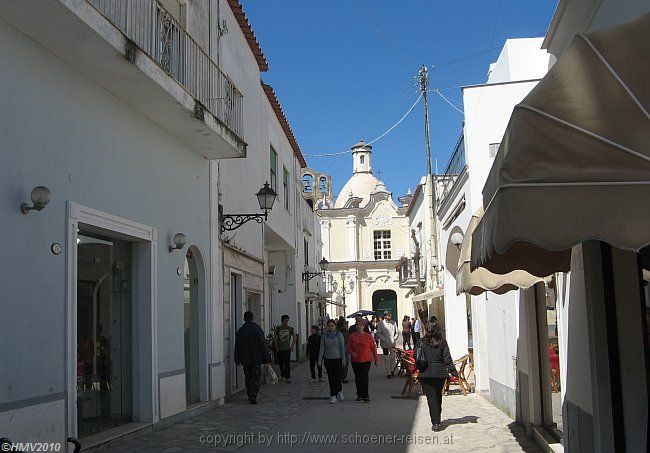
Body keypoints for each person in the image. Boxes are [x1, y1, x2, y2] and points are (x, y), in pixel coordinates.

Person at [417, 321, 458, 431]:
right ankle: (437, 419)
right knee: (438, 395)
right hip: (440, 373)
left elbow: (416, 356)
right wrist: (453, 371)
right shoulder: (442, 342)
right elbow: (447, 358)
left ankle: (435, 422)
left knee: (431, 398)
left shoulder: (421, 342)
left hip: (425, 373)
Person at [234, 311, 269, 404]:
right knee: (256, 377)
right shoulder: (257, 329)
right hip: (256, 358)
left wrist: (237, 359)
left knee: (248, 377)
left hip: (245, 359)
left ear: (244, 318)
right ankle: (254, 395)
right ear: (252, 318)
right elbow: (263, 344)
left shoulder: (241, 330)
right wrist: (266, 358)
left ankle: (250, 394)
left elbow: (237, 346)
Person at [347, 318, 379, 402]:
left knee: (364, 377)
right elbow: (348, 347)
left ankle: (366, 395)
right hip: (355, 361)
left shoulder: (368, 336)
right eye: (357, 325)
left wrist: (376, 359)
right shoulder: (352, 336)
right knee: (358, 377)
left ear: (364, 326)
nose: (359, 327)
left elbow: (373, 348)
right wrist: (352, 353)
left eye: (360, 325)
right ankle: (359, 394)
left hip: (366, 360)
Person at [318, 319, 346, 404]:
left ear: (335, 326)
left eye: (332, 326)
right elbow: (322, 348)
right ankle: (333, 395)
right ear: (327, 327)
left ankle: (339, 390)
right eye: (329, 326)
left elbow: (342, 348)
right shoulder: (324, 336)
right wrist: (319, 360)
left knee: (337, 377)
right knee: (331, 377)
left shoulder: (339, 335)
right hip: (328, 359)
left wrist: (343, 359)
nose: (331, 327)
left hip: (337, 359)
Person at [375, 311, 399, 378]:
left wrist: (394, 338)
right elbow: (379, 333)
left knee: (393, 358)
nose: (390, 316)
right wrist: (384, 339)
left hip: (392, 343)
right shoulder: (380, 323)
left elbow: (397, 332)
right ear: (385, 316)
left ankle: (392, 371)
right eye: (388, 315)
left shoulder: (394, 323)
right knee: (387, 358)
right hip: (385, 344)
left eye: (390, 315)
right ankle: (388, 373)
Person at [274, 315, 295, 383]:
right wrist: (277, 348)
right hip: (280, 349)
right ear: (282, 321)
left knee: (287, 363)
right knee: (281, 363)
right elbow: (275, 339)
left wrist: (292, 346)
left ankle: (288, 377)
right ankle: (282, 375)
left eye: (287, 320)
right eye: (285, 320)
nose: (287, 322)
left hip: (287, 348)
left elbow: (295, 337)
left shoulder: (290, 328)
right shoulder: (278, 329)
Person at [337, 318, 350, 383]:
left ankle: (341, 377)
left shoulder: (337, 331)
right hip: (344, 348)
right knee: (345, 363)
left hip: (341, 348)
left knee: (341, 363)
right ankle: (343, 377)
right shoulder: (344, 331)